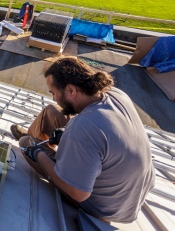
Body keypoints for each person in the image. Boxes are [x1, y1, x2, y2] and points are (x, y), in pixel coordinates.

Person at [11, 57, 155, 223]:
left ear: (71, 90)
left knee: (26, 143)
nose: (54, 98)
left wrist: (38, 155)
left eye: (54, 93)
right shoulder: (114, 94)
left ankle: (35, 145)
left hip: (105, 207)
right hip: (132, 191)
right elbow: (101, 132)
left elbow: (78, 193)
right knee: (51, 111)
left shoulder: (83, 127)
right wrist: (67, 135)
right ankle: (46, 143)